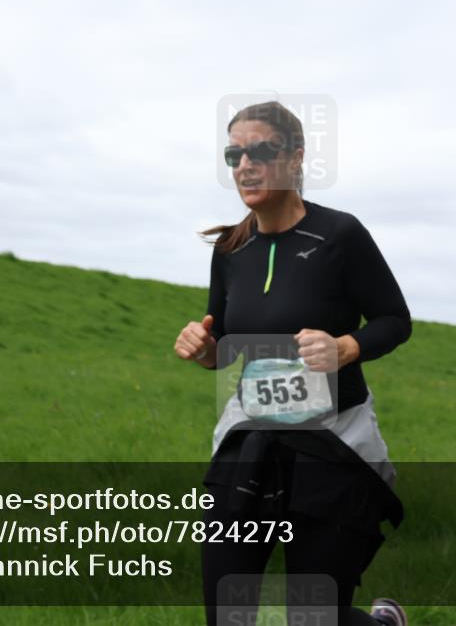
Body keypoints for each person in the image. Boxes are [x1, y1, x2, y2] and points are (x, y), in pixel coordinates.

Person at [173, 101, 412, 626]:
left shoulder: (339, 236)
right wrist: (204, 348)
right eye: (234, 154)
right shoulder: (231, 249)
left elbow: (396, 320)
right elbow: (221, 341)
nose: (244, 165)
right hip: (251, 439)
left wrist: (345, 347)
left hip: (330, 441)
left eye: (261, 151)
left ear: (296, 158)